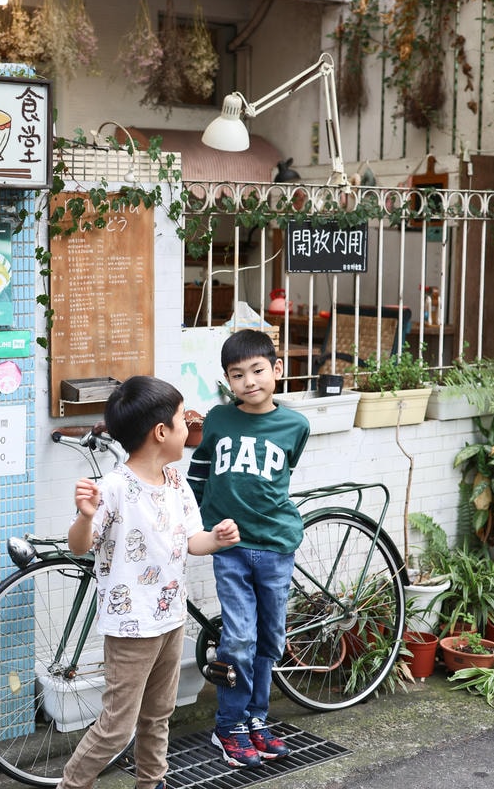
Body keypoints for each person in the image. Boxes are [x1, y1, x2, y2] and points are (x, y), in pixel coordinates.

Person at [62, 375, 240, 789]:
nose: (189, 425)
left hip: (170, 619)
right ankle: (71, 784)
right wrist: (86, 516)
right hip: (130, 628)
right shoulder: (113, 489)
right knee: (116, 728)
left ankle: (152, 782)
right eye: (183, 419)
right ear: (161, 432)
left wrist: (215, 539)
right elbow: (78, 547)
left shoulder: (177, 483)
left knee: (158, 715)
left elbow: (191, 541)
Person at [186, 330, 310, 769]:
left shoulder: (296, 426)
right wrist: (196, 524)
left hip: (276, 546)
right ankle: (229, 725)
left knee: (270, 639)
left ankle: (257, 718)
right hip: (231, 548)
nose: (249, 381)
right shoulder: (219, 419)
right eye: (238, 375)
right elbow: (198, 476)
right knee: (238, 638)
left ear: (276, 370)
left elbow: (280, 480)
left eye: (258, 370)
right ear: (227, 380)